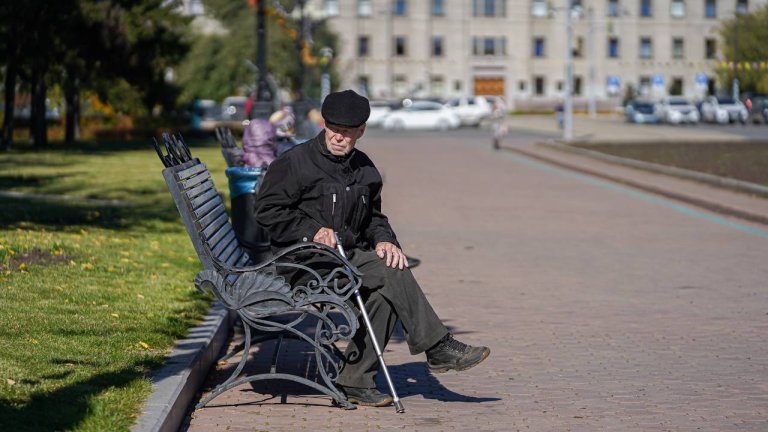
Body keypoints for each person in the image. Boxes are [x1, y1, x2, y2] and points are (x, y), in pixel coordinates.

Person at [254, 89, 490, 407]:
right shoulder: (295, 162)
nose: (339, 137)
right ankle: (437, 347)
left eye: (347, 131)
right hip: (305, 263)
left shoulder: (364, 167)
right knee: (391, 276)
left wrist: (385, 240)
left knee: (388, 283)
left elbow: (374, 218)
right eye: (334, 129)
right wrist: (312, 231)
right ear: (324, 125)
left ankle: (355, 381)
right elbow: (267, 211)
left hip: (347, 258)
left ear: (361, 131)